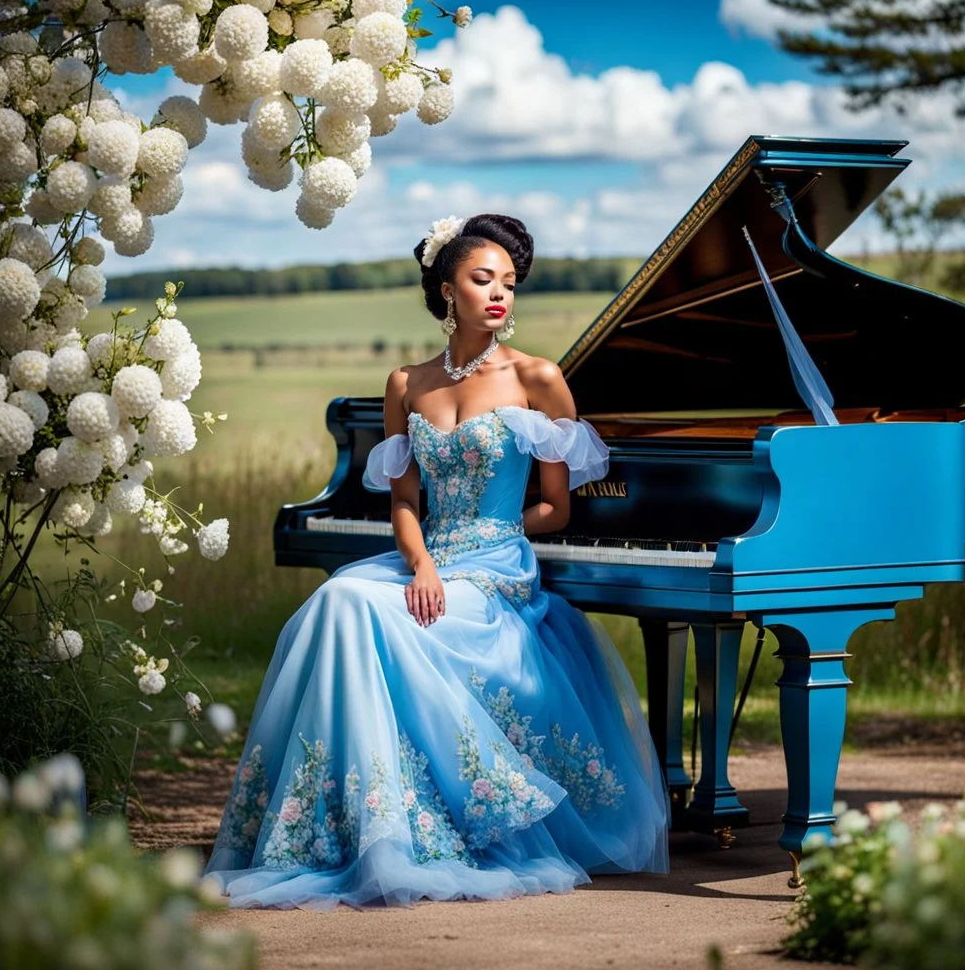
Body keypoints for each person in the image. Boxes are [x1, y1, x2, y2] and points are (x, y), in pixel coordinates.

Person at [201, 213, 671, 910]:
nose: (500, 294)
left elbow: (557, 508)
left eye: (510, 283)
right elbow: (403, 505)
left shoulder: (538, 378)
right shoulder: (406, 384)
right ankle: (355, 825)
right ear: (447, 288)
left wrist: (488, 541)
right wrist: (422, 565)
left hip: (495, 570)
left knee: (358, 607)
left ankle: (411, 822)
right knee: (340, 599)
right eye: (484, 280)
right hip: (425, 562)